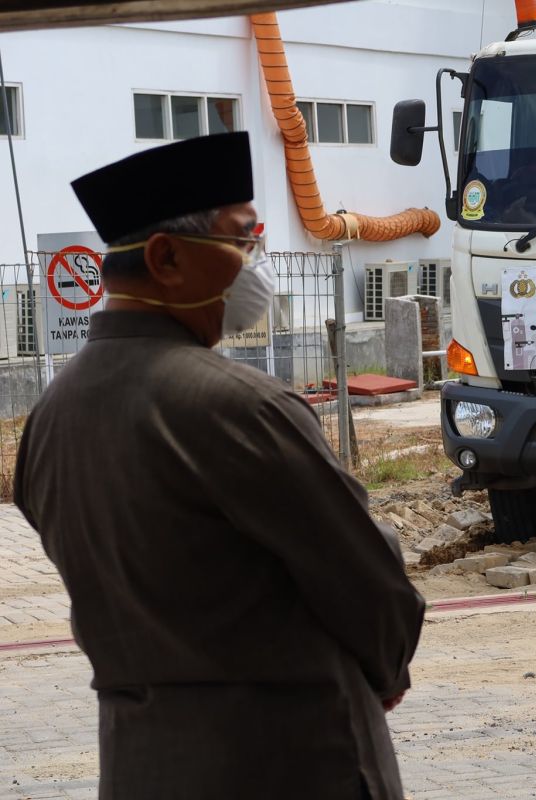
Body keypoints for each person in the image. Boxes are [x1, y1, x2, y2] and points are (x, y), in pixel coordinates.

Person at [13, 133, 425, 800]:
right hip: (284, 759)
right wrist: (388, 670)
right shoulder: (239, 406)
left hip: (141, 763)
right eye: (241, 241)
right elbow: (368, 583)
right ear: (167, 257)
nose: (252, 264)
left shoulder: (53, 416)